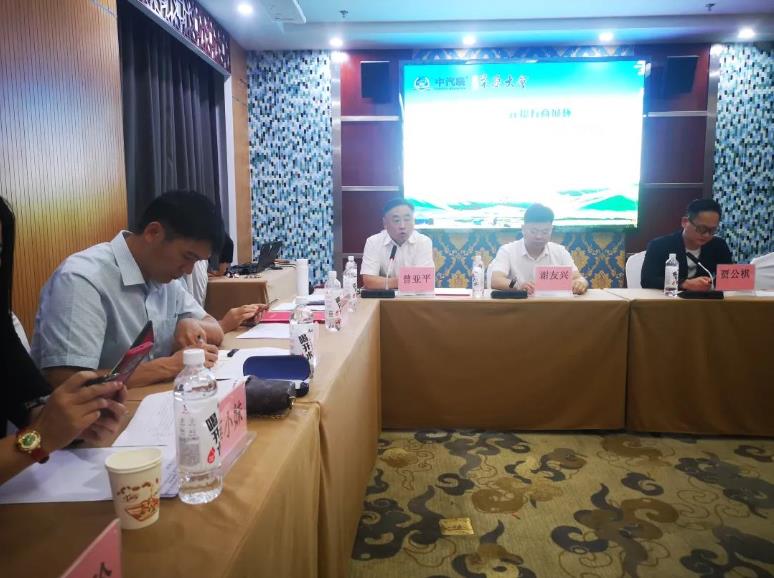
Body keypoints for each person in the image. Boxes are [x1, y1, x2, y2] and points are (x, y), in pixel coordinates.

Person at [31, 191, 226, 389]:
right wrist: (168, 366)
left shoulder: (166, 279)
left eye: (196, 261)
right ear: (153, 233)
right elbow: (67, 382)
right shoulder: (82, 279)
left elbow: (216, 330)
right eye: (187, 257)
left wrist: (189, 322)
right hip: (105, 408)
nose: (189, 270)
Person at [1, 196, 127, 485]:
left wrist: (76, 421)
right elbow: (37, 434)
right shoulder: (80, 275)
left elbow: (29, 406)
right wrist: (40, 437)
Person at [490, 203, 589, 294]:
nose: (539, 236)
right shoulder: (507, 251)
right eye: (533, 231)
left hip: (552, 304)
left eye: (545, 232)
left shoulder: (560, 251)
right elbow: (496, 280)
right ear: (523, 229)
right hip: (518, 305)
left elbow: (579, 278)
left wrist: (580, 283)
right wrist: (517, 285)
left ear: (551, 230)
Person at [641, 198, 733, 291]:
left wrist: (711, 284)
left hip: (704, 299)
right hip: (669, 298)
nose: (706, 235)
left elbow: (730, 279)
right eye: (702, 229)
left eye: (712, 230)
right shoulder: (659, 245)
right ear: (685, 222)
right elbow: (647, 280)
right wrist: (684, 283)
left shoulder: (719, 245)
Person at [361, 198, 434, 290]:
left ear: (413, 220)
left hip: (415, 296)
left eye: (407, 219)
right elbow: (369, 281)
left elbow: (424, 281)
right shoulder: (373, 242)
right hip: (384, 296)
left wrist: (385, 282)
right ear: (385, 223)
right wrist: (407, 281)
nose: (402, 226)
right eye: (396, 220)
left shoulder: (423, 242)